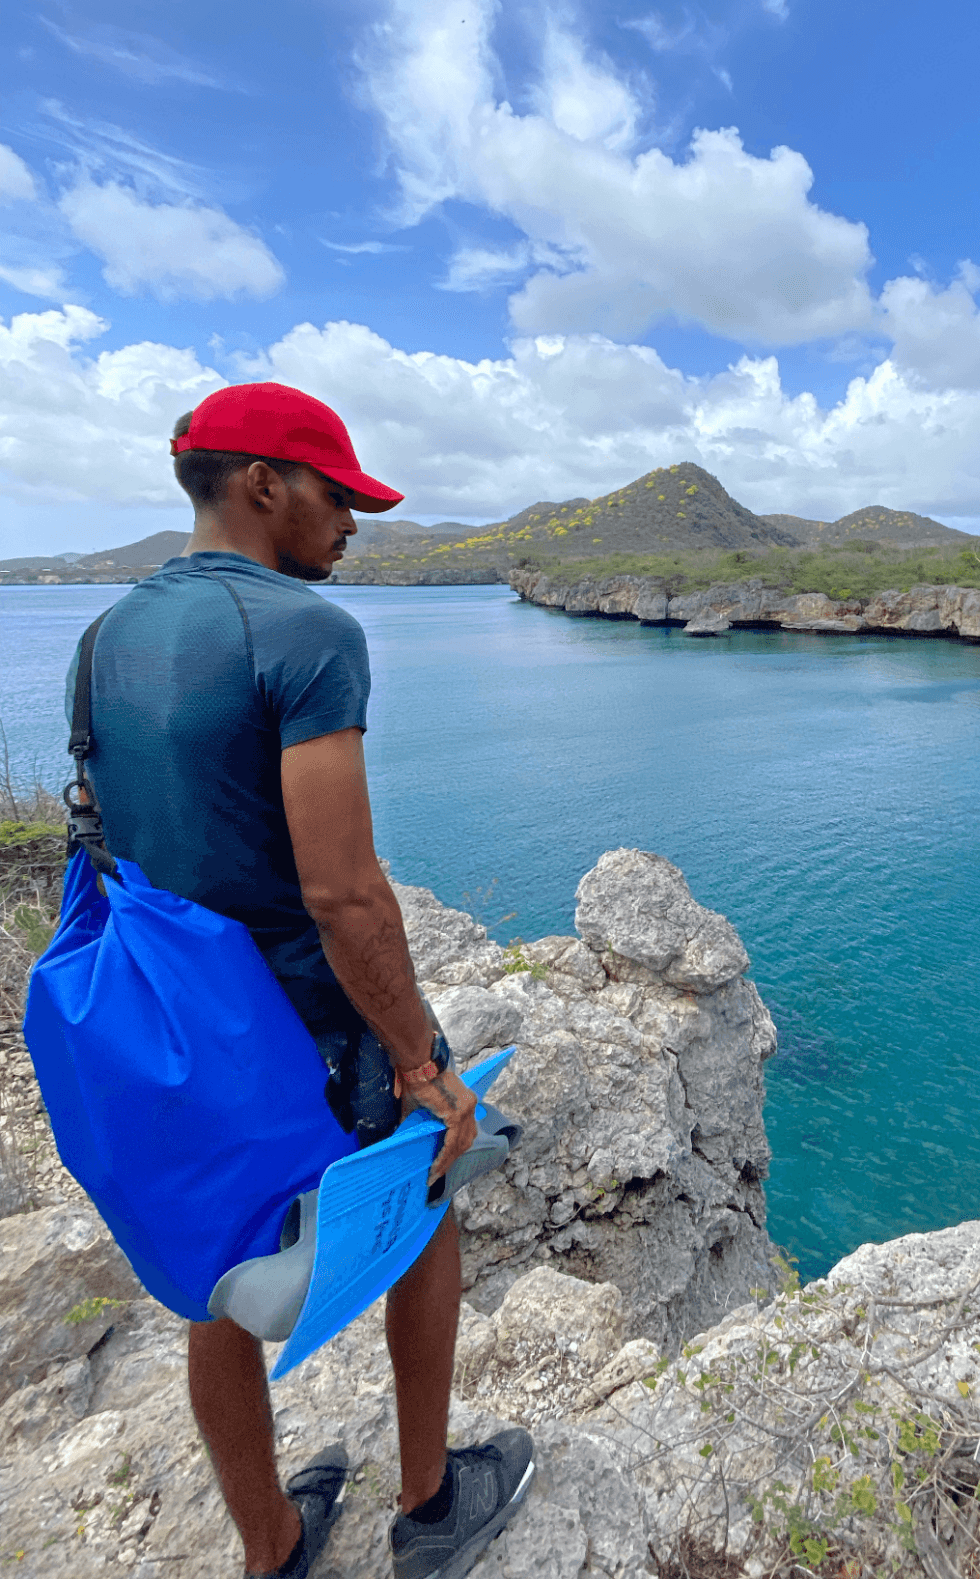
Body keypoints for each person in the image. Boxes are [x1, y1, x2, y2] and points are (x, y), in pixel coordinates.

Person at [69, 382, 533, 1579]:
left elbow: (121, 837)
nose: (353, 523)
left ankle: (272, 1542)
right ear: (263, 484)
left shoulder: (103, 636)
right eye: (339, 496)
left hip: (178, 1028)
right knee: (431, 1196)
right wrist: (425, 1065)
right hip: (305, 1026)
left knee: (212, 1277)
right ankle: (429, 1508)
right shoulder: (308, 634)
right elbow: (343, 890)